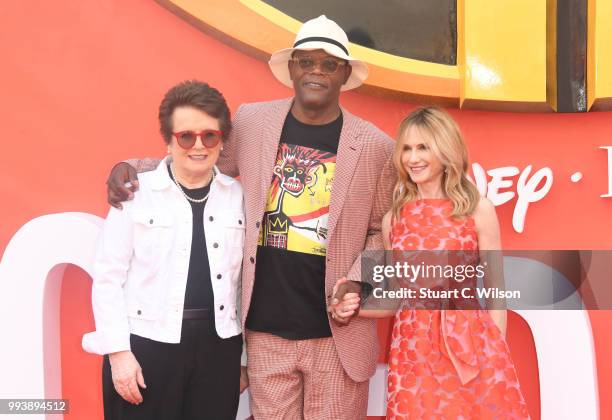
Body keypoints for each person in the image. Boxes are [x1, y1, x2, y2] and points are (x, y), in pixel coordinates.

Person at [105, 15, 395, 420]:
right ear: (291, 69)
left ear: (344, 73)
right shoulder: (254, 122)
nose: (316, 71)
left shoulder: (376, 146)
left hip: (336, 336)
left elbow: (381, 229)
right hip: (265, 334)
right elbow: (200, 162)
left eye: (328, 63)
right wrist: (132, 166)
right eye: (306, 61)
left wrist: (357, 283)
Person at [330, 107, 530, 418]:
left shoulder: (478, 210)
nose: (412, 158)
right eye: (406, 149)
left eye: (423, 147)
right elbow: (393, 297)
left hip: (470, 343)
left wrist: (494, 351)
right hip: (414, 350)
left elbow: (496, 290)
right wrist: (353, 303)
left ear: (446, 149)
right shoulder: (392, 220)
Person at [83, 80, 246, 420]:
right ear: (169, 141)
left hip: (219, 349)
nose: (198, 146)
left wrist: (242, 359)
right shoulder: (135, 194)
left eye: (209, 136)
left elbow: (247, 281)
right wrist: (118, 354)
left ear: (222, 140)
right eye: (186, 136)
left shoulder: (239, 197)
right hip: (147, 346)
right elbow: (108, 276)